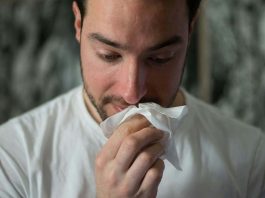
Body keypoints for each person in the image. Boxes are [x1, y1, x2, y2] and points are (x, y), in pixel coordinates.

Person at [0, 0, 265, 197]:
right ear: (78, 24)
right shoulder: (12, 159)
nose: (132, 92)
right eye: (109, 55)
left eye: (160, 58)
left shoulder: (251, 160)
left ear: (190, 28)